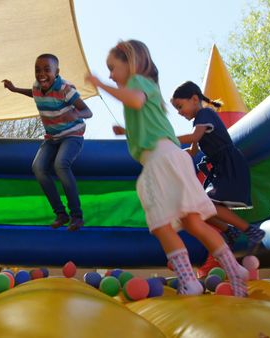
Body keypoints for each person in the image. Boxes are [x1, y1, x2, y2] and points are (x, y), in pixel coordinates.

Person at [85, 40, 248, 297]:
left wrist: (99, 84)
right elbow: (153, 127)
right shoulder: (147, 88)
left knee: (161, 225)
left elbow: (135, 101)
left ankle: (189, 281)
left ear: (132, 63)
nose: (110, 75)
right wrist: (126, 131)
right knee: (193, 222)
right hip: (170, 156)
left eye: (113, 68)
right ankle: (234, 269)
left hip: (160, 161)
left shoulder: (137, 83)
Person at [171, 81, 265, 256]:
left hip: (230, 164)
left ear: (193, 99)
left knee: (208, 204)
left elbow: (195, 137)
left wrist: (167, 138)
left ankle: (251, 230)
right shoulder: (199, 121)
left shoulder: (205, 114)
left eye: (180, 106)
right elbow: (192, 150)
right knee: (200, 207)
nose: (179, 112)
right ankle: (230, 231)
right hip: (221, 167)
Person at [2, 54, 93, 231]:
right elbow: (34, 93)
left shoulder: (65, 89)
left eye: (46, 70)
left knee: (60, 165)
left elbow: (87, 111)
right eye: (37, 70)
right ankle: (60, 213)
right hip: (52, 137)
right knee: (37, 167)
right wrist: (15, 89)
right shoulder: (37, 86)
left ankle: (76, 215)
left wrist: (76, 114)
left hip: (72, 135)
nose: (41, 74)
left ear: (56, 72)